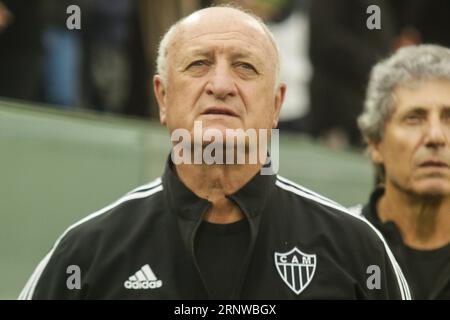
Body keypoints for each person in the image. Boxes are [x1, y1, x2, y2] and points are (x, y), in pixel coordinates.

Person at [19, 6, 410, 300]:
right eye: (199, 64)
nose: (221, 85)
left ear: (276, 106)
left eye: (244, 67)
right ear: (163, 97)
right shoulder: (87, 253)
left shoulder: (356, 250)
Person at [355, 44, 450, 299]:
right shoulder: (337, 246)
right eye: (414, 118)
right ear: (376, 143)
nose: (435, 137)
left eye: (449, 118)